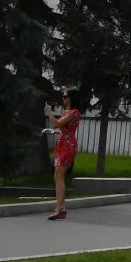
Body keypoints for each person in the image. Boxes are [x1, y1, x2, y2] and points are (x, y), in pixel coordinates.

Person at [43, 88, 81, 221]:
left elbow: (58, 123)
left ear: (71, 98)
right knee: (58, 176)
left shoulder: (74, 112)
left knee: (59, 175)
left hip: (67, 145)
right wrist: (55, 131)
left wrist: (49, 113)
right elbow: (61, 128)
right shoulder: (68, 112)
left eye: (65, 96)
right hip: (62, 144)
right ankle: (60, 208)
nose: (63, 98)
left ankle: (60, 209)